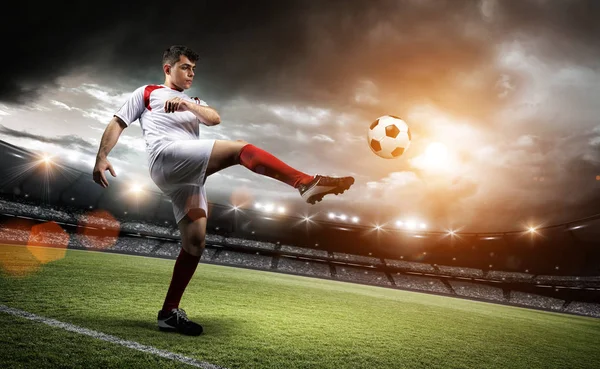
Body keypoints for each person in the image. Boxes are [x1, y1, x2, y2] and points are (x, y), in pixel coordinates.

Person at [92, 45, 354, 336]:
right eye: (185, 67)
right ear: (168, 69)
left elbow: (214, 118)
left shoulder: (194, 100)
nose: (191, 73)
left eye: (193, 68)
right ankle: (304, 182)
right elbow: (118, 122)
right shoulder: (147, 92)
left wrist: (188, 105)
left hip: (187, 178)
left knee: (194, 245)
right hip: (167, 157)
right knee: (241, 150)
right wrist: (101, 157)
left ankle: (168, 313)